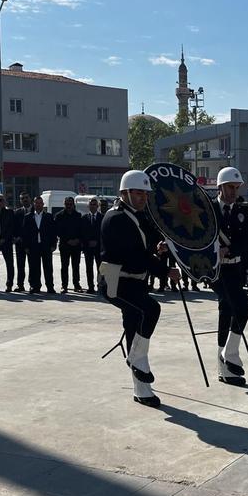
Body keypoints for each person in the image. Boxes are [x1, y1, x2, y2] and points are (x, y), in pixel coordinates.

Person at [99, 170, 180, 407]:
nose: (144, 198)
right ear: (125, 193)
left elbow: (150, 242)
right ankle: (136, 359)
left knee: (134, 325)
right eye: (139, 193)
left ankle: (142, 390)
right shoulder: (115, 218)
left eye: (146, 194)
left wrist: (160, 246)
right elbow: (137, 255)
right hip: (117, 282)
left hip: (135, 280)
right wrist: (165, 271)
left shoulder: (138, 215)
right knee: (151, 310)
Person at [211, 167, 248, 386]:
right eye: (230, 187)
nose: (233, 192)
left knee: (226, 311)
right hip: (217, 270)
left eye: (236, 188)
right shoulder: (208, 209)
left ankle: (224, 368)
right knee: (244, 305)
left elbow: (247, 240)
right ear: (219, 187)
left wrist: (230, 249)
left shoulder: (243, 211)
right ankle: (231, 354)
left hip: (235, 267)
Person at [21, 196, 57, 294]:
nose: (38, 205)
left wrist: (54, 245)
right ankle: (35, 286)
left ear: (43, 204)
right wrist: (26, 247)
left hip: (46, 246)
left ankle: (50, 287)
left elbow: (53, 232)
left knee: (48, 268)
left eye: (40, 203)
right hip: (33, 247)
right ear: (34, 204)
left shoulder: (49, 216)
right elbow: (25, 233)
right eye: (36, 203)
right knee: (34, 267)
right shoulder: (28, 217)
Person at [55, 196, 84, 293]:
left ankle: (76, 284)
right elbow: (58, 231)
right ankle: (64, 285)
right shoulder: (59, 216)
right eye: (67, 204)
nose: (68, 206)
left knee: (76, 266)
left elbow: (81, 230)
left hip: (76, 245)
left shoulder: (78, 215)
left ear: (73, 205)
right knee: (64, 266)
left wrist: (77, 240)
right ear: (64, 205)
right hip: (64, 245)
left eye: (70, 204)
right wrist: (67, 240)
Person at [81, 198, 104, 294]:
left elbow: (103, 233)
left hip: (99, 248)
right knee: (89, 268)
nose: (92, 206)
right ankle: (90, 287)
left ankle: (100, 286)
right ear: (88, 206)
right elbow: (82, 233)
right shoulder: (84, 218)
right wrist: (86, 243)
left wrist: (97, 242)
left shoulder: (102, 217)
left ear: (97, 206)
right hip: (88, 248)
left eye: (94, 204)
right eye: (91, 204)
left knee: (101, 269)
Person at [13, 192, 34, 292]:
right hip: (20, 243)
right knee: (20, 265)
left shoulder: (36, 211)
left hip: (32, 243)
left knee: (32, 265)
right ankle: (20, 285)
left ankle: (32, 284)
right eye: (22, 198)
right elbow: (13, 227)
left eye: (26, 198)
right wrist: (16, 237)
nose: (25, 200)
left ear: (30, 199)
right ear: (20, 201)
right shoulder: (17, 212)